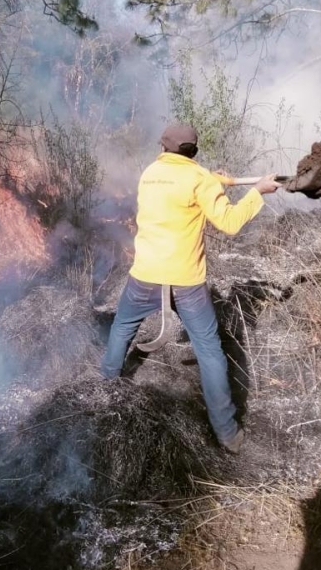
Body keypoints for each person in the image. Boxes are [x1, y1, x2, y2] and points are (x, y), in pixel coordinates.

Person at [100, 123, 281, 454]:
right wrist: (257, 192)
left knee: (121, 330)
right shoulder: (199, 179)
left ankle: (104, 393)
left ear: (163, 147)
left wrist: (218, 182)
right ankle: (227, 434)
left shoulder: (151, 173)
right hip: (185, 281)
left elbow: (179, 191)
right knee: (210, 351)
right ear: (193, 151)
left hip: (145, 274)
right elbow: (228, 221)